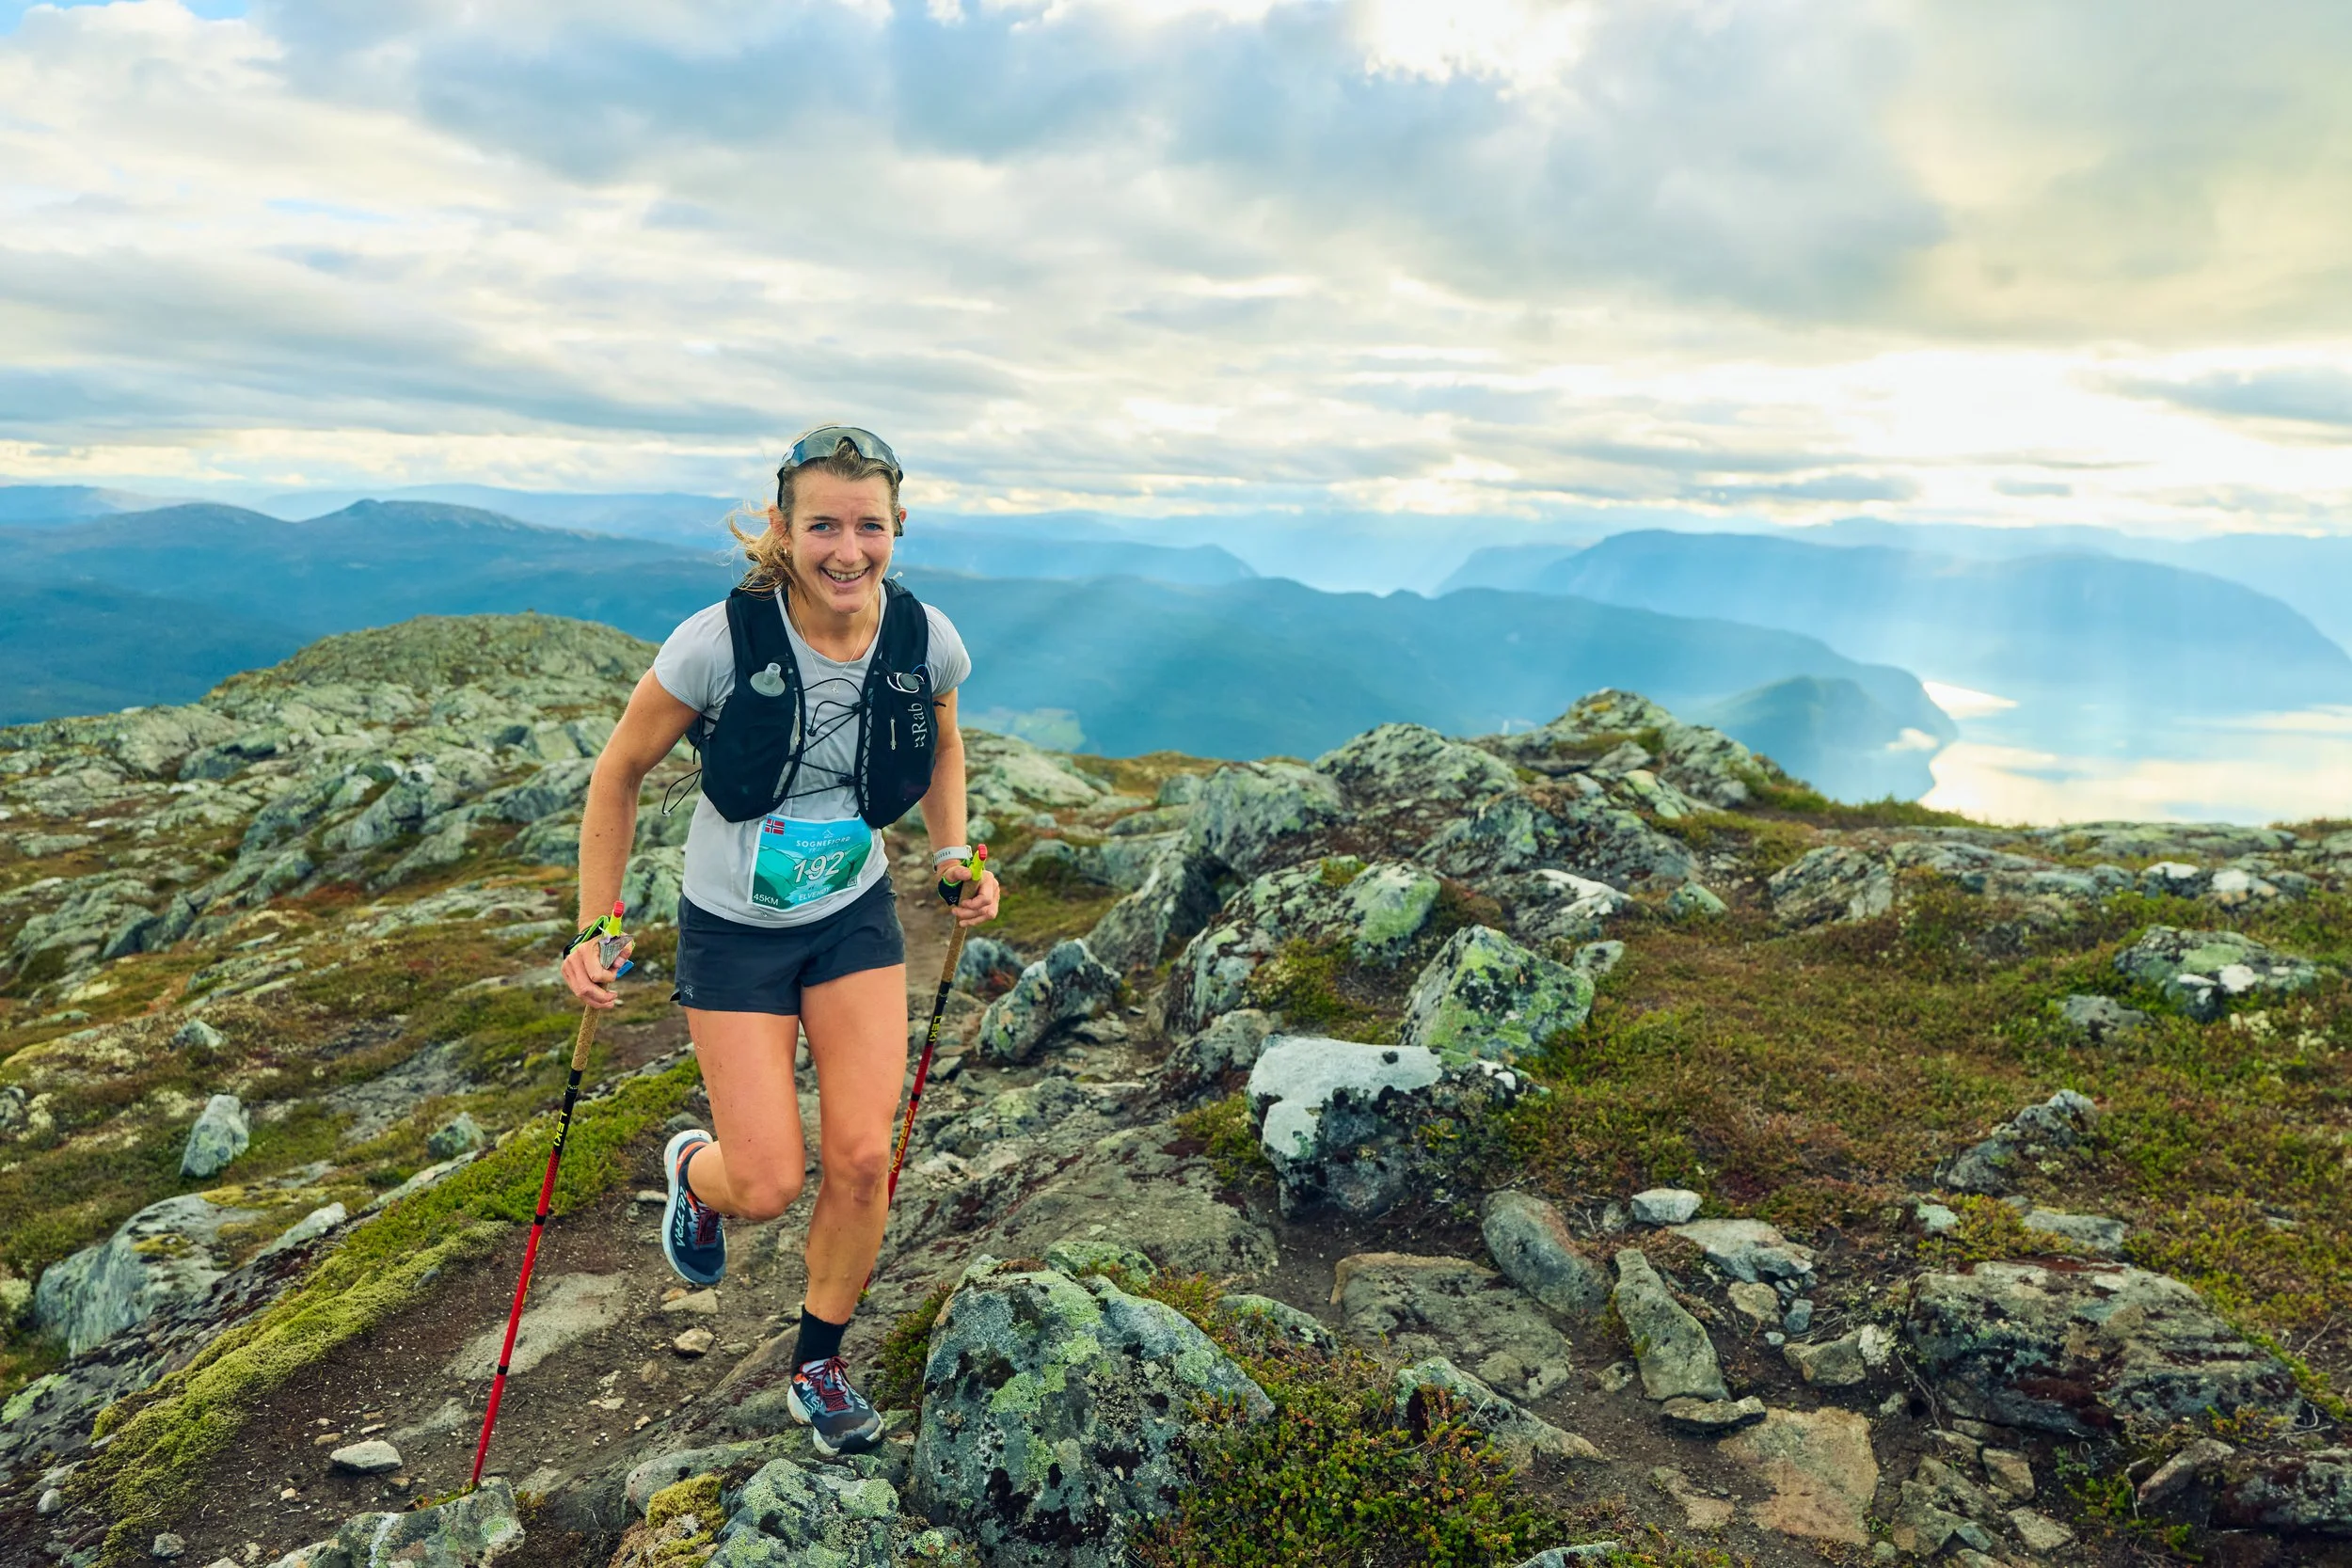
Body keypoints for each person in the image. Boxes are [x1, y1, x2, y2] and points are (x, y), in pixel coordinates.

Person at [561, 425, 999, 1455]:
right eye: (823, 526)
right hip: (732, 929)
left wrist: (952, 853)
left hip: (851, 916)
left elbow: (940, 740)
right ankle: (694, 1170)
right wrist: (599, 920)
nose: (847, 549)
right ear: (781, 528)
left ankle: (817, 1361)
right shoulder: (715, 643)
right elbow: (617, 773)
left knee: (859, 1154)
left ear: (896, 527)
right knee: (764, 1181)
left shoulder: (926, 638)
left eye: (869, 525)